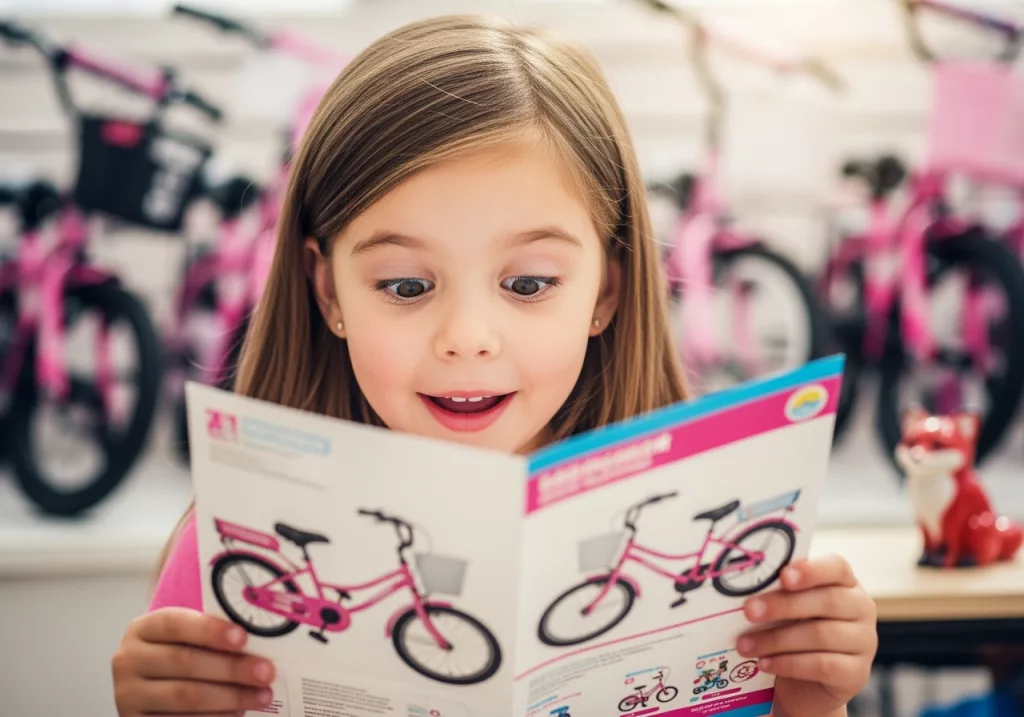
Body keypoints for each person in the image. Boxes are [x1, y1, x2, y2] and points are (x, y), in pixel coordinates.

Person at [110, 13, 878, 717]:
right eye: (406, 286)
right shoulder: (229, 551)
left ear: (605, 291)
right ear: (329, 291)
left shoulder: (726, 561)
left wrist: (812, 703)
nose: (468, 337)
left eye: (529, 284)